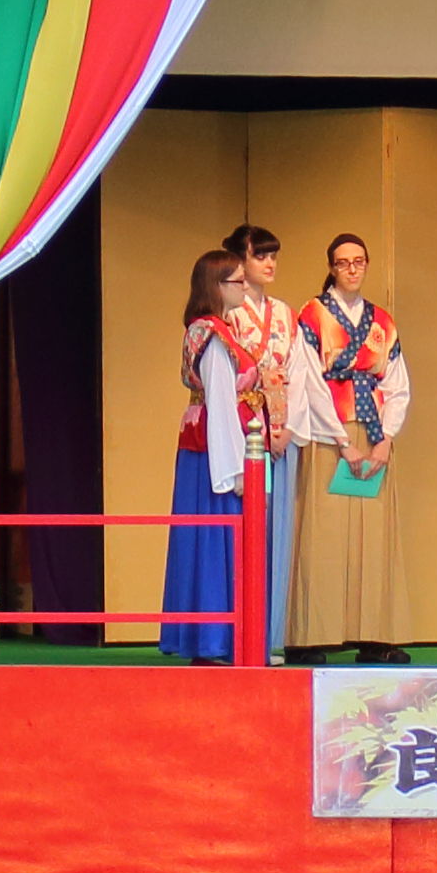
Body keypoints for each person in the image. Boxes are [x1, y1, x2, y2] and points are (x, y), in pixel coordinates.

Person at [288, 232, 411, 662]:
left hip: (373, 434)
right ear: (331, 268)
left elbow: (397, 383)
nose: (352, 269)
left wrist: (386, 439)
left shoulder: (382, 322)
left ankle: (374, 634)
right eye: (343, 263)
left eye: (359, 261)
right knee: (323, 534)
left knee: (373, 537)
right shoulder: (313, 314)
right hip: (328, 433)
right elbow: (308, 379)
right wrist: (341, 441)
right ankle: (312, 635)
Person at [216, 220, 308, 650]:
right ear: (240, 260)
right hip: (245, 426)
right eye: (260, 256)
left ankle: (271, 634)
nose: (269, 264)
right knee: (248, 526)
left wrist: (290, 425)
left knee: (278, 529)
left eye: (273, 256)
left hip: (282, 426)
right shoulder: (229, 314)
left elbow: (300, 372)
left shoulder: (286, 314)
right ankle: (241, 632)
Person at [161, 251, 254, 664]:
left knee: (208, 540)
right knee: (215, 540)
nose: (244, 287)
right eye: (237, 281)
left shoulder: (212, 330)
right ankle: (213, 639)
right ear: (217, 286)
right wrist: (235, 470)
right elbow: (221, 404)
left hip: (207, 446)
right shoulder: (214, 336)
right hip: (215, 451)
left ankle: (213, 638)